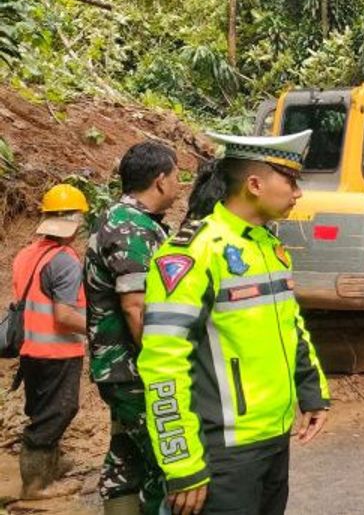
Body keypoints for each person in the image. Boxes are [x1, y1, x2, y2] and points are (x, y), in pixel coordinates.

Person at [137, 130, 331, 515]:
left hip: (274, 440)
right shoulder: (194, 253)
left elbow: (292, 326)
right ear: (255, 184)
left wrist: (312, 392)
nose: (298, 193)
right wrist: (183, 464)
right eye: (290, 181)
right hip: (223, 451)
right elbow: (162, 363)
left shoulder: (269, 248)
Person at [84, 142, 181, 515]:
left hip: (120, 368)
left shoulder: (124, 219)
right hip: (133, 368)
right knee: (163, 461)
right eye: (176, 177)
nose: (179, 185)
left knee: (125, 458)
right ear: (159, 181)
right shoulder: (131, 227)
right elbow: (135, 305)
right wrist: (164, 365)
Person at [12, 184, 89, 500]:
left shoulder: (28, 253)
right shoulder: (65, 260)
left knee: (44, 410)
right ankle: (36, 486)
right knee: (56, 413)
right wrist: (99, 329)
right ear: (74, 220)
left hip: (31, 349)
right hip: (57, 351)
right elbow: (64, 316)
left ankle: (49, 466)